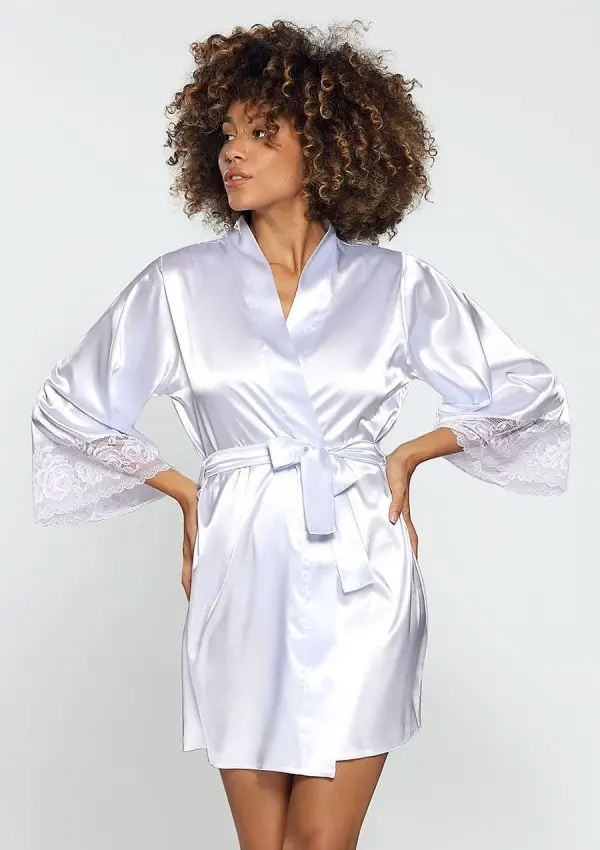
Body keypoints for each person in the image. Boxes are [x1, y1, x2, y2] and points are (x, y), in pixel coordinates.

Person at [30, 18, 571, 850]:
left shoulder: (397, 285)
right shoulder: (179, 286)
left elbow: (527, 390)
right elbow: (70, 407)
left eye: (260, 133)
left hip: (361, 562)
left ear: (324, 146)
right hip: (242, 560)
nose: (232, 152)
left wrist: (412, 452)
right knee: (267, 846)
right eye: (225, 134)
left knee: (323, 841)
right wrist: (186, 494)